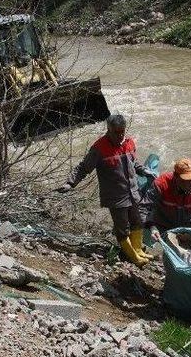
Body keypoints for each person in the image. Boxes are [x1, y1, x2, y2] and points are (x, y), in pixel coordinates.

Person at [58, 114, 156, 267]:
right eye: (116, 132)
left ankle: (138, 249)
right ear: (108, 130)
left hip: (132, 192)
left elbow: (134, 163)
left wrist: (144, 171)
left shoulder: (129, 143)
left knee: (137, 222)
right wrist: (70, 183)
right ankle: (132, 257)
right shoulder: (99, 148)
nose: (120, 135)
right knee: (122, 228)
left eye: (122, 131)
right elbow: (83, 167)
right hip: (116, 197)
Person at [146, 158, 191, 242]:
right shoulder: (161, 184)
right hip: (164, 222)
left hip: (189, 221)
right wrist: (152, 227)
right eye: (186, 180)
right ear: (176, 177)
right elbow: (146, 207)